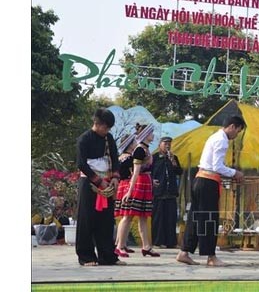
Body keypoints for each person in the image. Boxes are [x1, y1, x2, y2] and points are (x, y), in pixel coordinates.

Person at [176, 115, 246, 267]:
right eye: (238, 131)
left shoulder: (214, 137)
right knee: (209, 219)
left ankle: (184, 252)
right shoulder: (222, 140)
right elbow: (217, 167)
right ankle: (211, 256)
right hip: (207, 183)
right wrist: (235, 173)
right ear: (232, 126)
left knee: (195, 218)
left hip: (200, 180)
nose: (236, 135)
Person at [75, 108, 125, 266]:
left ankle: (107, 255)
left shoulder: (108, 139)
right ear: (97, 124)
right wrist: (98, 182)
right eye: (106, 127)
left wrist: (116, 177)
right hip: (89, 183)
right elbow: (81, 164)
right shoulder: (84, 139)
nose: (107, 130)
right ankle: (86, 256)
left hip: (108, 182)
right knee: (87, 219)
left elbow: (115, 160)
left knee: (106, 221)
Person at [114, 123, 160, 258]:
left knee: (144, 216)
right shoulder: (139, 150)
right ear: (145, 135)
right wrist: (129, 191)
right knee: (128, 216)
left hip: (145, 183)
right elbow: (135, 173)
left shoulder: (145, 149)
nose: (153, 135)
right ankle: (119, 246)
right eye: (151, 133)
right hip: (138, 184)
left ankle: (146, 246)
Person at [151, 136, 184, 248]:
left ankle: (171, 242)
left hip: (171, 192)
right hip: (159, 191)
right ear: (160, 144)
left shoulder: (173, 157)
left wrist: (173, 162)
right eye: (165, 143)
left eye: (169, 143)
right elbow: (148, 171)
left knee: (171, 218)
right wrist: (151, 181)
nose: (168, 145)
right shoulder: (154, 158)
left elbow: (179, 171)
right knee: (158, 218)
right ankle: (158, 241)